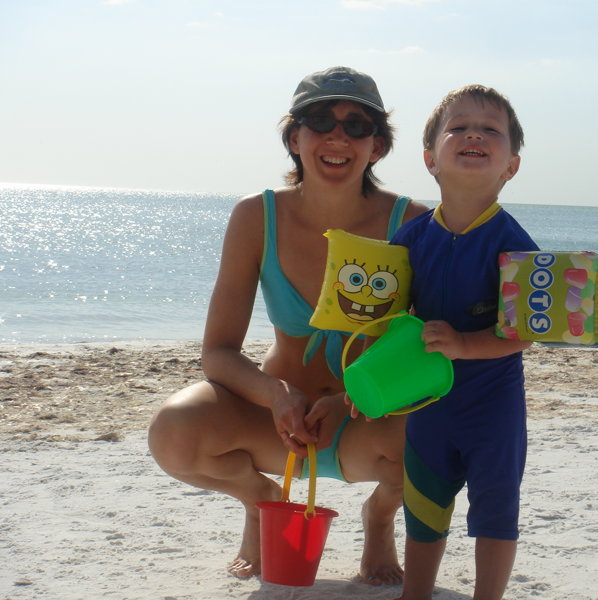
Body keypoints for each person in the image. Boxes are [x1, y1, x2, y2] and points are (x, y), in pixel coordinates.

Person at [147, 66, 428, 584]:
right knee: (174, 431)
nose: (337, 135)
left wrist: (351, 398)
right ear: (295, 138)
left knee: (447, 436)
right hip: (279, 425)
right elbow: (218, 353)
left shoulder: (412, 224)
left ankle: (380, 515)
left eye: (357, 125)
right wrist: (277, 396)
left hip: (368, 421)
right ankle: (261, 501)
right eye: (319, 121)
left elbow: (423, 348)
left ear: (378, 147)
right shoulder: (256, 217)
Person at [388, 85, 538, 600]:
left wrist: (464, 345)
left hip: (492, 405)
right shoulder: (409, 240)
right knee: (423, 506)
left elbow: (523, 333)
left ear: (510, 167)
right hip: (428, 403)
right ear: (430, 159)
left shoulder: (516, 246)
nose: (474, 134)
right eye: (459, 128)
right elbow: (388, 324)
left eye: (491, 130)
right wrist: (371, 385)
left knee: (496, 509)